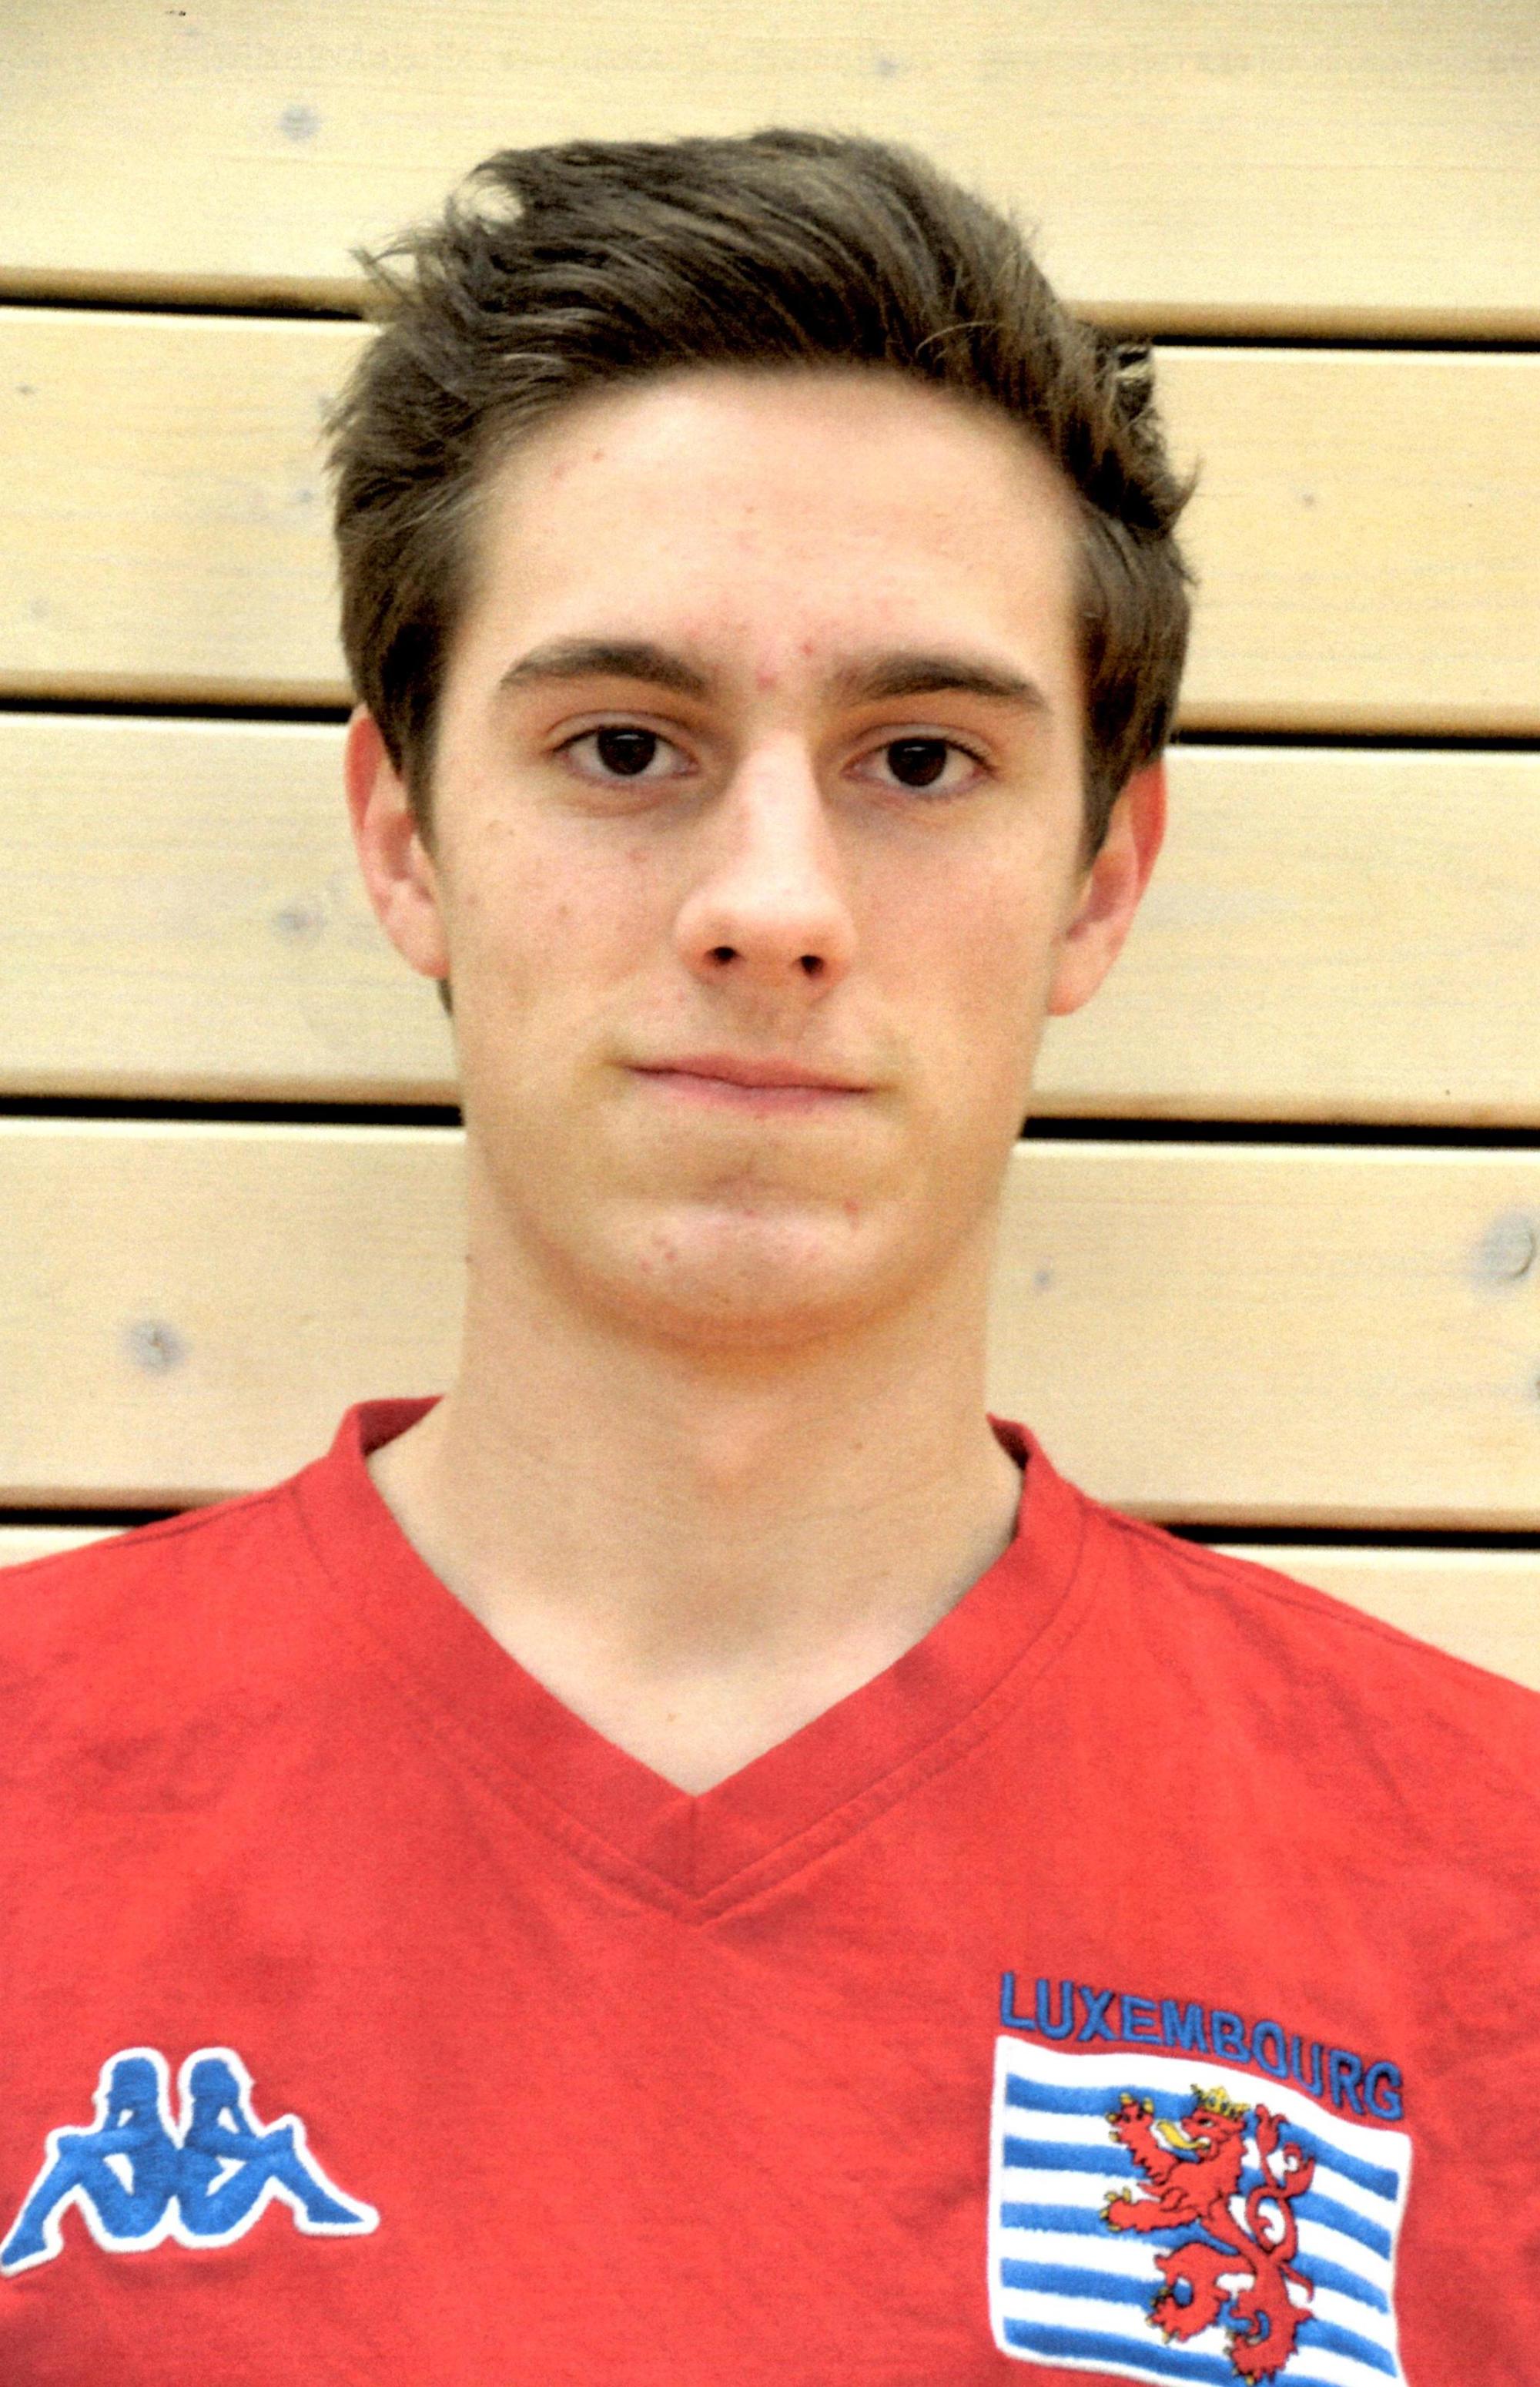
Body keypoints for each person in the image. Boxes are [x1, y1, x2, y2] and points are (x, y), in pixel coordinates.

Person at [0, 130, 1534, 2385]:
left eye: (921, 760)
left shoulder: (1492, 1895)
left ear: (1102, 879)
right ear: (404, 834)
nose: (773, 903)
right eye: (625, 744)